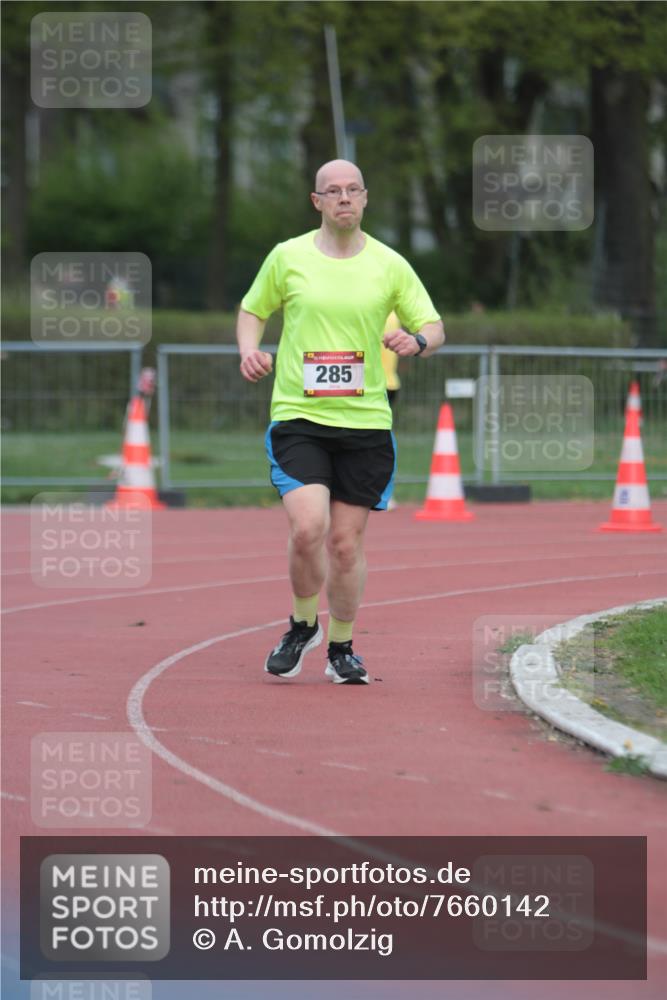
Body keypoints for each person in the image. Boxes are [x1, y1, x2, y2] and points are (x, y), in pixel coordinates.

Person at [236, 159, 444, 685]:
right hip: (299, 415)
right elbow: (252, 309)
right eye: (333, 191)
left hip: (366, 422)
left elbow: (435, 326)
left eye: (353, 190)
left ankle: (342, 646)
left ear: (366, 198)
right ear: (317, 202)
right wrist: (248, 350)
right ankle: (301, 623)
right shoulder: (287, 257)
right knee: (308, 528)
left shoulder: (391, 265)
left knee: (346, 545)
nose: (344, 198)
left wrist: (416, 342)